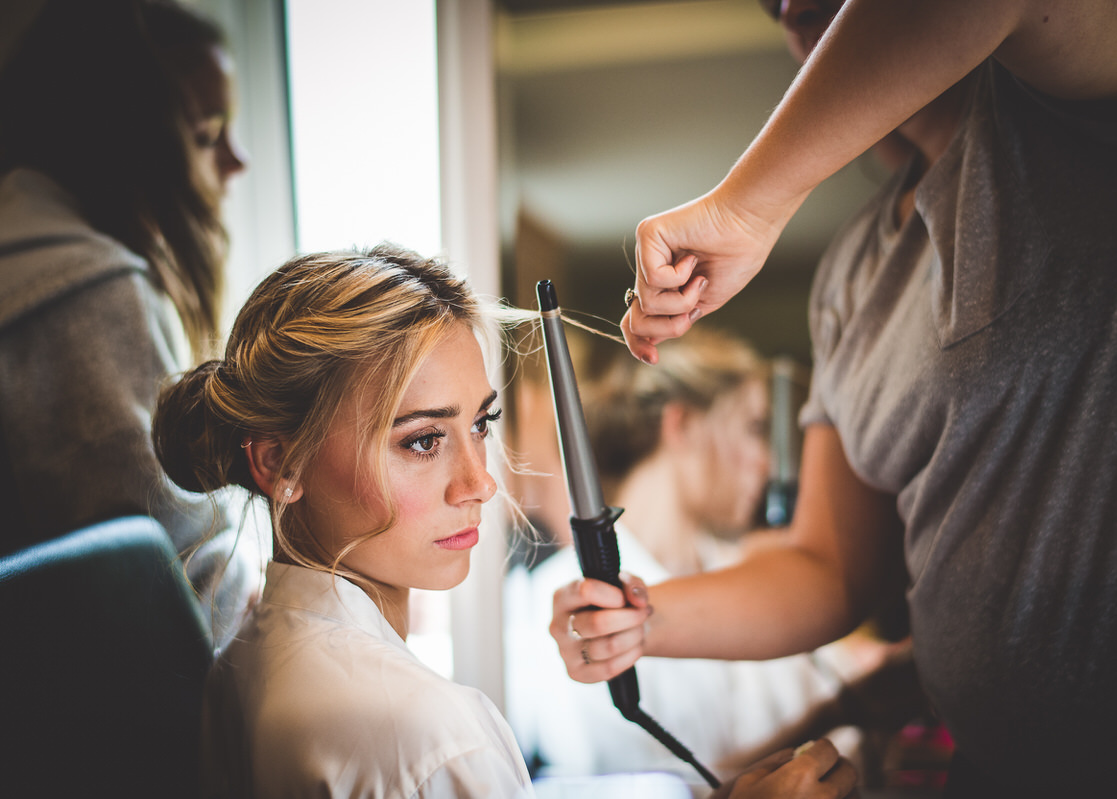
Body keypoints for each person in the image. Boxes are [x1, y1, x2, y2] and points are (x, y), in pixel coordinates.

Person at [551, 0, 1117, 796]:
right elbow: (831, 566)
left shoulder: (1100, 118)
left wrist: (747, 202)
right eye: (774, 2)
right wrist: (645, 621)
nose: (792, 9)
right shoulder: (855, 269)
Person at [153, 244, 860, 799]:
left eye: (481, 424)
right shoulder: (430, 735)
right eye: (423, 440)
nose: (481, 482)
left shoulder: (244, 663)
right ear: (280, 463)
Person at [507, 327, 880, 790]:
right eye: (753, 428)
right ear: (680, 424)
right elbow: (648, 785)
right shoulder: (565, 607)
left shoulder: (755, 579)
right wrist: (844, 711)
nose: (764, 463)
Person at [0, 0, 255, 644]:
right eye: (205, 135)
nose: (237, 159)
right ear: (124, 148)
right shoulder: (84, 294)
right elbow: (178, 578)